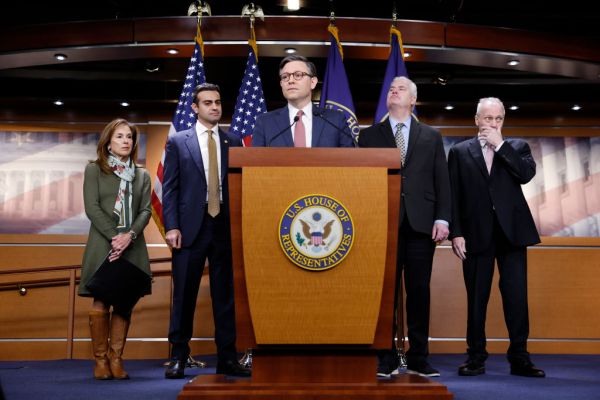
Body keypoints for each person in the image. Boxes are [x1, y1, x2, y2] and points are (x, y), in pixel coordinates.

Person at [358, 76, 451, 378]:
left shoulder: (431, 136)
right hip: (382, 225)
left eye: (400, 89)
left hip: (422, 224)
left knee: (419, 291)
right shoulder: (369, 136)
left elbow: (442, 181)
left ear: (413, 100)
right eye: (390, 88)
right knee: (385, 294)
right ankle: (385, 357)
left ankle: (419, 357)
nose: (393, 91)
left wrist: (443, 218)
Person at [448, 97, 545, 378]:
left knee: (516, 297)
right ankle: (476, 357)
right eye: (488, 118)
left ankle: (520, 358)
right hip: (475, 235)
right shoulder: (459, 151)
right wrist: (457, 233)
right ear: (476, 119)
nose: (492, 123)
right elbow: (453, 195)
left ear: (503, 120)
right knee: (477, 299)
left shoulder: (517, 147)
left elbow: (525, 174)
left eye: (498, 119)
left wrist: (499, 145)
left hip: (511, 234)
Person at [162, 83, 250, 379]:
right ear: (195, 108)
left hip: (224, 227)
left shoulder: (233, 141)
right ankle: (178, 357)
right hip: (189, 229)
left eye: (218, 102)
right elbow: (170, 188)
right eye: (208, 103)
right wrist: (171, 225)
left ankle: (227, 359)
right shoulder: (179, 142)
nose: (215, 107)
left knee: (225, 296)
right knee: (184, 295)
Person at [79, 118, 152, 380]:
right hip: (103, 242)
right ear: (108, 143)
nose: (126, 141)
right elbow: (92, 207)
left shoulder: (142, 175)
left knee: (124, 301)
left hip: (132, 245)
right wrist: (115, 237)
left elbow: (145, 210)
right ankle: (100, 361)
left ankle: (116, 358)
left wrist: (129, 236)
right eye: (120, 137)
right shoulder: (94, 170)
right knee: (101, 297)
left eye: (129, 137)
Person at [252, 54, 354, 147]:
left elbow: (351, 159)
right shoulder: (265, 122)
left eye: (298, 75)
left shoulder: (335, 120)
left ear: (313, 82)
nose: (291, 81)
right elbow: (254, 162)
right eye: (285, 77)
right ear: (281, 84)